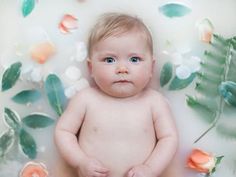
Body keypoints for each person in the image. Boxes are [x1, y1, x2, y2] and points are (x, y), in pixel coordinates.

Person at [54, 12, 178, 177]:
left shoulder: (154, 102)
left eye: (134, 59)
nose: (122, 69)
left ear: (151, 67)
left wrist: (150, 169)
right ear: (91, 68)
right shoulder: (85, 99)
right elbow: (63, 131)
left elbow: (169, 138)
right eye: (109, 60)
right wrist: (80, 162)